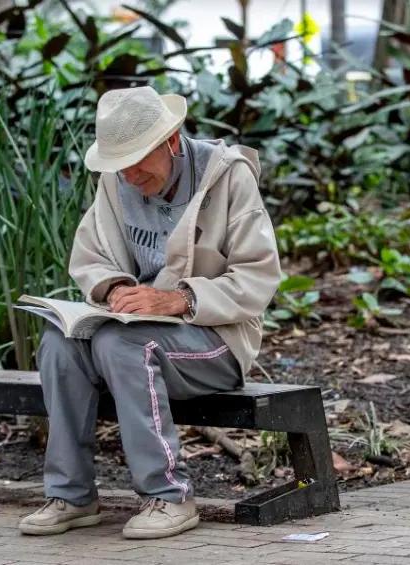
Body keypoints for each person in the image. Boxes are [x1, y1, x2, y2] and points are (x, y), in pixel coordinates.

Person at [18, 86, 281, 540]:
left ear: (171, 140)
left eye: (138, 160)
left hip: (216, 341)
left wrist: (179, 299)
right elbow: (91, 256)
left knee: (124, 344)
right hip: (135, 331)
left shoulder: (228, 176)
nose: (130, 174)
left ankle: (169, 495)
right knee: (60, 343)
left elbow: (258, 277)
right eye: (120, 164)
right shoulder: (117, 180)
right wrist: (117, 287)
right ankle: (72, 495)